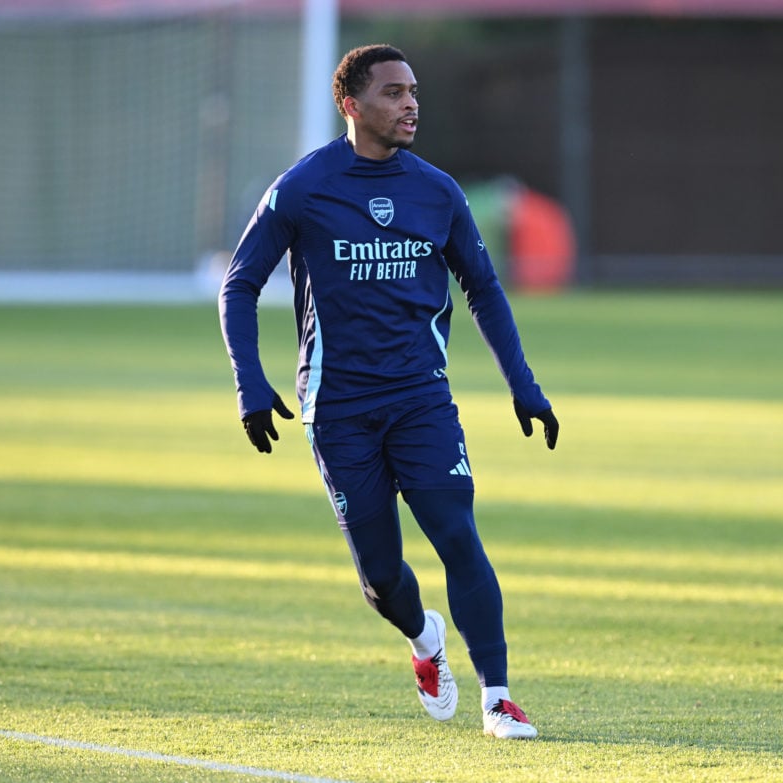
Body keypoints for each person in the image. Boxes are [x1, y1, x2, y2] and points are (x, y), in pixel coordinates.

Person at [219, 44, 559, 740]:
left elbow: (484, 287)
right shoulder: (304, 188)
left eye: (414, 92)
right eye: (393, 93)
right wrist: (250, 384)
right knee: (380, 577)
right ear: (351, 103)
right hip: (337, 408)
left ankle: (499, 698)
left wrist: (522, 384)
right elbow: (239, 284)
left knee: (459, 536)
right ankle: (424, 638)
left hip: (420, 399)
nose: (410, 104)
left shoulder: (438, 191)